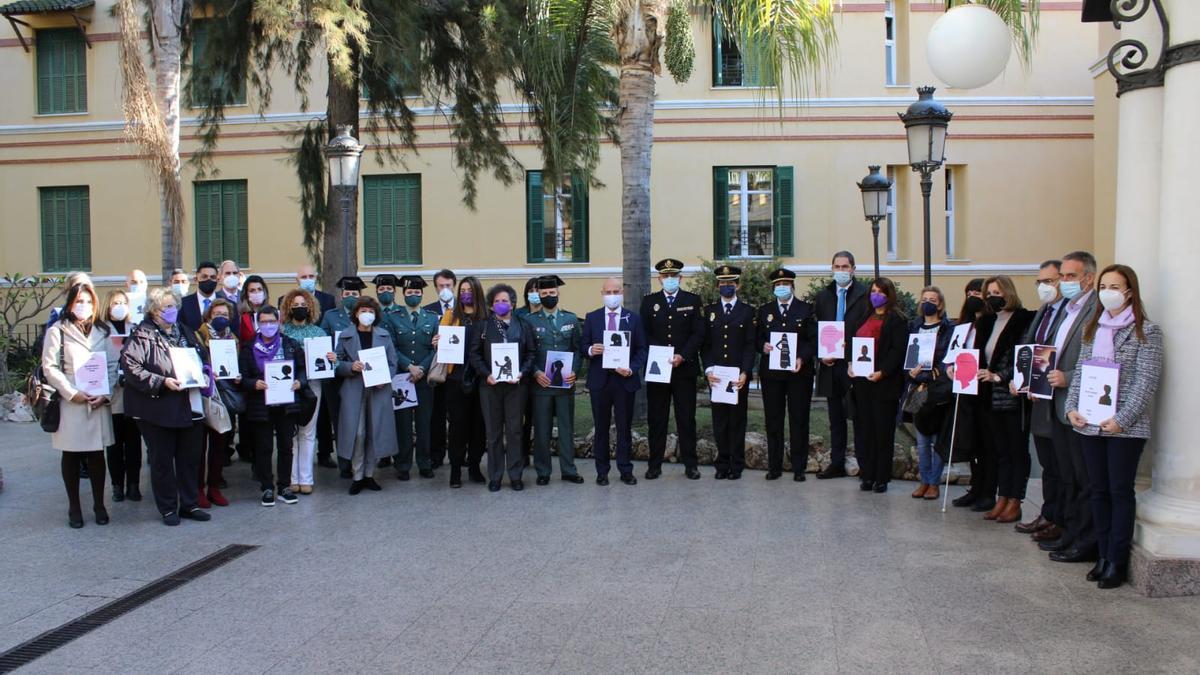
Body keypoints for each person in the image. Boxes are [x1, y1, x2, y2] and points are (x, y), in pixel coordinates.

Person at [1066, 264, 1162, 588]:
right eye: (1103, 285)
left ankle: (1117, 562)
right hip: (1089, 424)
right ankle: (1103, 554)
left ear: (1129, 292)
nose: (1107, 291)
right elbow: (1080, 373)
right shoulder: (1092, 330)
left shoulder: (1146, 332)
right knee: (1098, 491)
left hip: (1125, 429)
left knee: (1120, 491)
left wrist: (1121, 420)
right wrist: (1071, 409)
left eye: (1114, 286)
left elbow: (1146, 383)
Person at [120, 287, 212, 526]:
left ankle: (189, 504)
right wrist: (162, 382)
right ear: (154, 310)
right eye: (166, 307)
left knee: (189, 458)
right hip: (158, 409)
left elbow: (201, 355)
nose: (172, 311)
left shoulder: (184, 330)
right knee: (162, 461)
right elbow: (132, 368)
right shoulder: (143, 335)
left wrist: (202, 370)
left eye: (174, 306)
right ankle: (168, 508)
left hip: (189, 404)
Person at [1041, 251, 1101, 565]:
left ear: (1088, 278)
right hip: (1058, 405)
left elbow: (1100, 363)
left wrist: (1069, 377)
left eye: (1069, 276)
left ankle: (1086, 539)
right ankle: (1071, 531)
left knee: (1083, 477)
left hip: (1079, 404)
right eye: (1062, 276)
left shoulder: (1096, 309)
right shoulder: (1066, 309)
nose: (1064, 282)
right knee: (1068, 475)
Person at [42, 284, 119, 528]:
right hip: (72, 401)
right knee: (72, 455)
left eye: (87, 301)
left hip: (98, 400)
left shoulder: (102, 330)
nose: (82, 305)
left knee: (97, 455)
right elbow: (50, 367)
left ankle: (99, 504)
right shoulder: (57, 331)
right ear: (69, 303)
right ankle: (74, 506)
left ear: (94, 304)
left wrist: (105, 394)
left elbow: (113, 366)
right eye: (78, 301)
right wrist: (72, 392)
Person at [971, 276, 1034, 521]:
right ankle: (1002, 497)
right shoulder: (987, 321)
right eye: (989, 293)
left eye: (997, 291)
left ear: (1008, 292)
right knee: (1001, 451)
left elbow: (1022, 355)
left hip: (1011, 395)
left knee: (1016, 450)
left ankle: (1015, 500)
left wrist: (999, 375)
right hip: (988, 396)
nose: (992, 296)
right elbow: (978, 354)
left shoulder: (1023, 320)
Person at [640, 258, 705, 480]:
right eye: (665, 277)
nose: (669, 280)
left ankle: (691, 465)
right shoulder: (649, 302)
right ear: (659, 279)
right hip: (658, 369)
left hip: (684, 370)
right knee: (657, 419)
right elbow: (644, 333)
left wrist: (682, 355)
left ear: (680, 278)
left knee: (686, 418)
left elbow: (698, 333)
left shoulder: (693, 300)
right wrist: (659, 354)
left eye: (673, 276)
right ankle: (654, 465)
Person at [1015, 260, 1066, 540]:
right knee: (1048, 463)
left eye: (1051, 281)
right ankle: (1049, 514)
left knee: (1061, 464)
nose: (1045, 287)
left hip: (1058, 397)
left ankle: (1060, 518)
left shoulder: (1070, 313)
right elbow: (1032, 346)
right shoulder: (1045, 311)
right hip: (1038, 396)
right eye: (1041, 282)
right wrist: (1023, 378)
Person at [470, 284, 536, 492]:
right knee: (493, 433)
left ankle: (515, 475)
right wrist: (486, 374)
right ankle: (496, 475)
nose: (501, 304)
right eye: (497, 301)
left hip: (516, 387)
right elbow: (474, 354)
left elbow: (531, 354)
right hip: (490, 387)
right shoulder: (482, 327)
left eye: (505, 300)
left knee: (515, 431)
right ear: (491, 305)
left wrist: (521, 373)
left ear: (513, 303)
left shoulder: (523, 326)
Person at [583, 277, 648, 486]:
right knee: (601, 428)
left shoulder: (633, 318)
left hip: (624, 381)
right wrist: (592, 349)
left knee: (624, 428)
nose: (612, 295)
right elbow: (582, 346)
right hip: (600, 382)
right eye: (608, 292)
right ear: (602, 294)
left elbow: (641, 349)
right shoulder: (592, 318)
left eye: (616, 291)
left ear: (622, 293)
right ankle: (602, 471)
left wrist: (632, 368)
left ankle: (625, 469)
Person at [848, 278, 908, 493]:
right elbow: (854, 343)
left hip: (884, 384)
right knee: (864, 430)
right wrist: (850, 364)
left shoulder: (897, 320)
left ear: (889, 295)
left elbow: (897, 351)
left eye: (880, 292)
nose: (876, 295)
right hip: (862, 382)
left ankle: (881, 477)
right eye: (873, 291)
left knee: (882, 431)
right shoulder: (864, 315)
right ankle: (867, 474)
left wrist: (883, 372)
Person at [757, 267, 817, 482]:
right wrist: (762, 346)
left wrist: (802, 357)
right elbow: (756, 338)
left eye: (785, 284)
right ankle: (774, 466)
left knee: (799, 419)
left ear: (792, 286)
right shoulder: (765, 311)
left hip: (798, 374)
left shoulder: (806, 309)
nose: (782, 288)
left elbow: (813, 340)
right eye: (778, 285)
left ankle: (799, 467)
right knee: (773, 419)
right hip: (772, 375)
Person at [813, 252, 870, 479]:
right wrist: (821, 355)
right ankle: (837, 463)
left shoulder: (864, 295)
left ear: (853, 269)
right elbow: (815, 328)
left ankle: (865, 464)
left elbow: (868, 329)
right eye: (837, 266)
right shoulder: (824, 295)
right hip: (830, 364)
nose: (841, 271)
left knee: (859, 416)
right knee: (835, 417)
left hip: (854, 364)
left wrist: (851, 351)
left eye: (845, 267)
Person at [335, 297, 399, 494]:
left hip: (378, 390)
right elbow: (336, 363)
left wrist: (385, 377)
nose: (367, 314)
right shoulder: (345, 336)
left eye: (371, 311)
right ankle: (357, 475)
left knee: (374, 431)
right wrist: (350, 367)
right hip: (354, 389)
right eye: (363, 310)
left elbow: (392, 362)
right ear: (356, 313)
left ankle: (369, 474)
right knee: (358, 433)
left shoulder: (384, 335)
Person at [526, 275, 584, 485]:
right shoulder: (529, 321)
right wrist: (535, 372)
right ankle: (543, 471)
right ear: (538, 296)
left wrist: (575, 371)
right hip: (541, 385)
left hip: (564, 385)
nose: (548, 296)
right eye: (544, 294)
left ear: (558, 294)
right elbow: (526, 352)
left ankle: (569, 469)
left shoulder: (570, 319)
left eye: (552, 293)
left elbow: (578, 349)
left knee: (567, 428)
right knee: (542, 430)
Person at [701, 266, 756, 480]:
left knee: (737, 420)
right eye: (723, 283)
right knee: (719, 421)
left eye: (730, 283)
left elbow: (750, 345)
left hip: (737, 376)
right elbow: (705, 345)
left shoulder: (748, 311)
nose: (727, 287)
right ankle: (722, 464)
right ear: (717, 286)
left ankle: (737, 464)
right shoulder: (709, 311)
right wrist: (708, 369)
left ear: (738, 285)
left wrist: (745, 372)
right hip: (716, 375)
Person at [386, 275, 440, 481]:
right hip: (403, 378)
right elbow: (391, 346)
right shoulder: (392, 317)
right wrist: (409, 366)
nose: (414, 296)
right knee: (403, 424)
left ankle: (424, 463)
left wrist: (422, 368)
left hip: (424, 379)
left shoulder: (432, 317)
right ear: (403, 294)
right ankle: (403, 464)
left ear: (422, 295)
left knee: (424, 423)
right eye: (410, 293)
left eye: (417, 293)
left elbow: (436, 348)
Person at [905, 287, 952, 501]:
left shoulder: (947, 329)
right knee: (921, 440)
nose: (928, 303)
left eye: (932, 299)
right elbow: (907, 355)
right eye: (924, 299)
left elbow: (948, 359)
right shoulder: (914, 327)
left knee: (937, 439)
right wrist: (911, 373)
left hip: (938, 388)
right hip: (918, 388)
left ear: (940, 304)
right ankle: (924, 480)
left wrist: (932, 375)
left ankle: (934, 482)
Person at [948, 278, 990, 508]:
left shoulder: (990, 323)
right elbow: (953, 352)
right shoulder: (964, 325)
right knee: (970, 441)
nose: (973, 297)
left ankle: (988, 490)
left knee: (985, 444)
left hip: (985, 390)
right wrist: (949, 367)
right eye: (970, 293)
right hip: (965, 389)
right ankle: (975, 487)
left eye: (978, 293)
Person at [281, 289, 327, 494]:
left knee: (308, 431)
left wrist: (331, 358)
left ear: (311, 307)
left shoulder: (319, 333)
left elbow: (326, 364)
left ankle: (306, 478)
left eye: (303, 304)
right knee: (290, 432)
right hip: (288, 385)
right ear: (289, 307)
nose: (300, 308)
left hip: (312, 385)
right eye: (295, 304)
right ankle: (292, 477)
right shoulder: (282, 331)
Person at [443, 276, 488, 487]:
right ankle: (455, 469)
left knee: (479, 426)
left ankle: (475, 466)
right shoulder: (450, 315)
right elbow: (442, 343)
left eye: (469, 290)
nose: (465, 294)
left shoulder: (488, 318)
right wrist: (437, 341)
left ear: (477, 292)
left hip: (482, 380)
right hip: (456, 378)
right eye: (462, 291)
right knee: (457, 426)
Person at [319, 276, 364, 477]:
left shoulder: (366, 316)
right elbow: (321, 341)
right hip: (336, 376)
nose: (351, 297)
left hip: (359, 376)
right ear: (341, 296)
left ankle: (360, 462)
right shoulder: (330, 316)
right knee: (340, 422)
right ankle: (344, 464)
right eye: (347, 294)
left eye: (355, 294)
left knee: (361, 422)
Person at [101, 289, 143, 503]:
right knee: (115, 444)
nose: (119, 306)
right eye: (115, 302)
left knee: (134, 443)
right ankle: (117, 485)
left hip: (134, 395)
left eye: (122, 302)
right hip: (112, 395)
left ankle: (134, 485)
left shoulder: (134, 328)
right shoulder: (100, 331)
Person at [195, 298, 237, 507]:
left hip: (225, 397)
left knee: (219, 444)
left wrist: (237, 375)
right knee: (200, 445)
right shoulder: (198, 336)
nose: (221, 318)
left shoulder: (233, 339)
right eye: (217, 314)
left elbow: (238, 364)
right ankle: (198, 489)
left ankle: (214, 486)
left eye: (225, 315)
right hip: (204, 395)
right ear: (209, 316)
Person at [424, 269, 457, 469]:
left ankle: (457, 455)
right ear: (435, 288)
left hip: (457, 371)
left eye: (448, 286)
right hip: (437, 371)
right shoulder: (429, 311)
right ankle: (436, 455)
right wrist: (433, 341)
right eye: (441, 286)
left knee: (457, 416)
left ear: (454, 286)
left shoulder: (463, 309)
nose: (445, 289)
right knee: (436, 415)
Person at [180, 261, 222, 331]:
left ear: (217, 280)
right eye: (204, 277)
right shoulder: (183, 304)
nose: (209, 279)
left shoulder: (229, 304)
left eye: (212, 277)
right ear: (196, 280)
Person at [237, 275, 270, 342]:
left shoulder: (272, 313)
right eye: (252, 290)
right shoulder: (240, 315)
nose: (256, 293)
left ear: (264, 292)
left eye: (259, 289)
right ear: (246, 294)